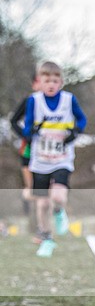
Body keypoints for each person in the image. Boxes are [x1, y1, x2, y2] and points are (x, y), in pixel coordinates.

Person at [22, 61, 88, 258]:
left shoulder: (69, 100)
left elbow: (82, 120)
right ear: (39, 82)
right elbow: (26, 127)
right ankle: (47, 239)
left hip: (62, 158)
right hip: (40, 160)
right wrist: (30, 131)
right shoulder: (33, 101)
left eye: (55, 80)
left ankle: (59, 211)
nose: (51, 84)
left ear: (61, 82)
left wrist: (74, 133)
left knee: (57, 197)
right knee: (42, 204)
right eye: (46, 80)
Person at [10, 71, 40, 221]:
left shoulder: (59, 102)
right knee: (32, 188)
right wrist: (25, 135)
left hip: (49, 152)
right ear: (34, 84)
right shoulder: (29, 101)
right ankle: (30, 217)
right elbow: (13, 121)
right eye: (40, 81)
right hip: (28, 151)